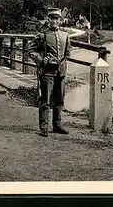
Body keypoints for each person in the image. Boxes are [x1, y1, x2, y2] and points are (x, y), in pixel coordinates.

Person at [27, 8, 72, 137]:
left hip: (61, 72)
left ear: (60, 20)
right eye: (52, 18)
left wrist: (62, 60)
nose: (54, 21)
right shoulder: (42, 35)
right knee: (45, 99)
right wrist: (41, 61)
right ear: (48, 20)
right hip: (47, 72)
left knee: (59, 99)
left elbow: (68, 52)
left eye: (56, 19)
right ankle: (44, 127)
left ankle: (57, 125)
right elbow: (31, 50)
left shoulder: (65, 35)